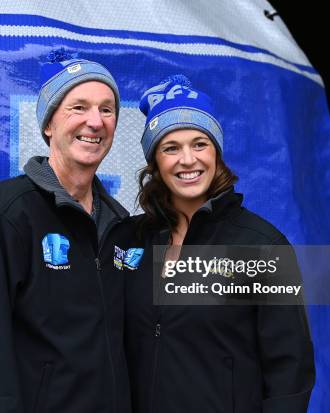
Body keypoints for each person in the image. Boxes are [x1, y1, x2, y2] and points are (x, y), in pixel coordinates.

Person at [114, 75, 315, 412]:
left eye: (199, 144)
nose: (188, 160)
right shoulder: (129, 240)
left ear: (217, 154)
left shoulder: (261, 246)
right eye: (171, 148)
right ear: (156, 163)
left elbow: (289, 370)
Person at [0, 49, 131, 413]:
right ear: (49, 124)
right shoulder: (9, 212)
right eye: (78, 107)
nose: (95, 121)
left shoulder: (120, 225)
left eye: (106, 109)